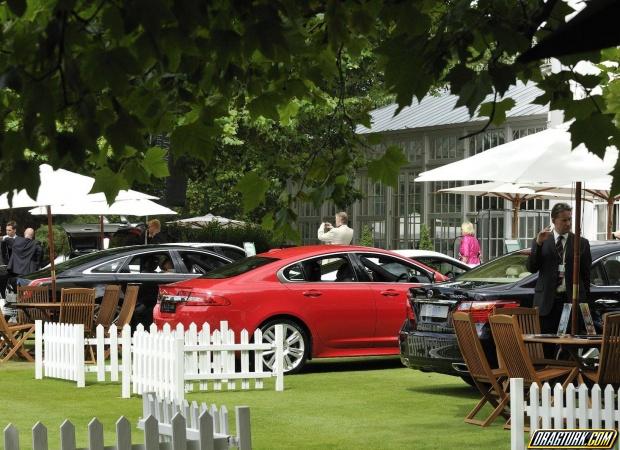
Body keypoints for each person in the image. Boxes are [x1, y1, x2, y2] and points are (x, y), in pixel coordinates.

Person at [526, 203, 591, 334]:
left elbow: (586, 275)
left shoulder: (581, 242)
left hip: (571, 302)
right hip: (547, 303)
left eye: (570, 219)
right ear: (554, 220)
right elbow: (532, 268)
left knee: (568, 346)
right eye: (564, 220)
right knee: (546, 345)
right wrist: (538, 244)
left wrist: (584, 301)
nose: (568, 223)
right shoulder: (542, 240)